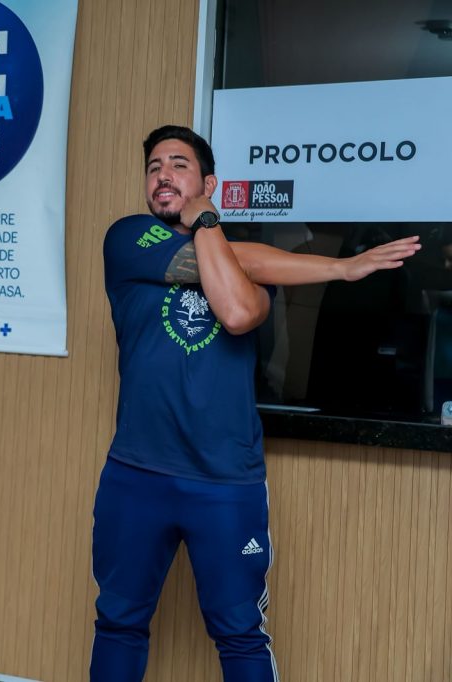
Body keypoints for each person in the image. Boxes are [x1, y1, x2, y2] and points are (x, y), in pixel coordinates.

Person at [92, 125, 420, 681]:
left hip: (225, 481)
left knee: (240, 632)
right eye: (153, 167)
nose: (163, 175)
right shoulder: (128, 239)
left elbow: (239, 311)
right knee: (118, 622)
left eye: (178, 165)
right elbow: (237, 264)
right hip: (136, 473)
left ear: (208, 184)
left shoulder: (246, 273)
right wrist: (331, 267)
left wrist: (344, 270)